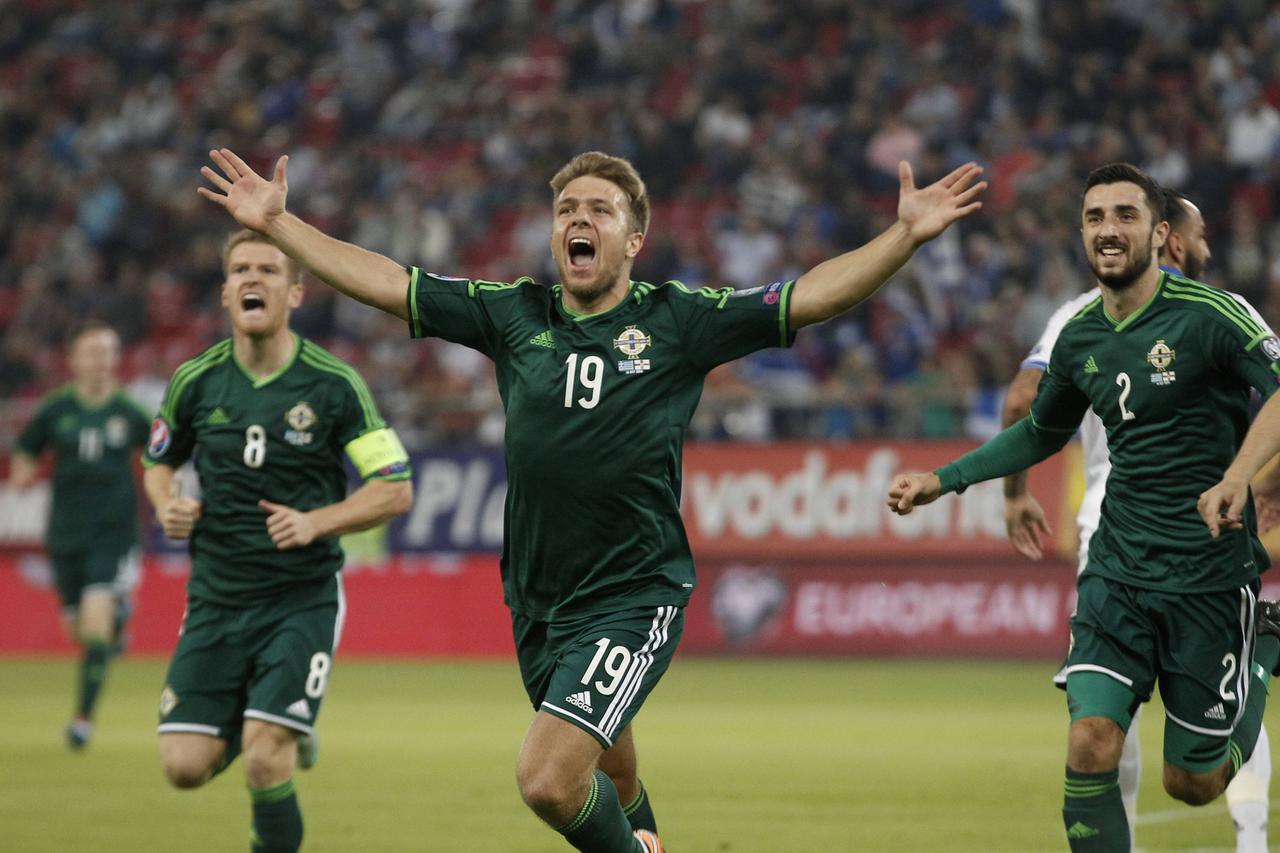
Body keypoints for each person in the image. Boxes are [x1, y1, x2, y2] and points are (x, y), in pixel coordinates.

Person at [197, 145, 986, 853]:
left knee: (546, 776)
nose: (579, 220)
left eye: (599, 210)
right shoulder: (514, 314)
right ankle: (642, 825)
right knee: (612, 764)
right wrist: (282, 225)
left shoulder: (679, 320)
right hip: (539, 598)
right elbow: (387, 281)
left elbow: (808, 297)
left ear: (632, 240)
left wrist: (904, 238)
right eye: (566, 209)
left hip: (634, 591)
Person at [888, 163, 1280, 853]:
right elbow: (1039, 428)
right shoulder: (1078, 337)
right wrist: (944, 479)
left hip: (1205, 576)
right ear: (1080, 233)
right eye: (1096, 217)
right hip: (1118, 570)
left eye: (1126, 215)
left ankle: (1264, 647)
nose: (1109, 229)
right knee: (1090, 739)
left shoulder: (1211, 315)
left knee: (1192, 782)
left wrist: (1241, 476)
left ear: (1160, 235)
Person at [1002, 187, 1273, 852]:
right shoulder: (1222, 310)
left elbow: (1020, 396)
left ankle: (1259, 657)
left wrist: (1015, 494)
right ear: (1172, 240)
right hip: (1149, 535)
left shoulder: (1091, 313)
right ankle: (1247, 834)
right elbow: (1027, 405)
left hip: (1158, 540)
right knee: (1099, 725)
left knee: (1149, 748)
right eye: (1201, 234)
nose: (1208, 247)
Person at [143, 229, 413, 853]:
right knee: (182, 767)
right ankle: (281, 717)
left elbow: (395, 487)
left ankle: (280, 725)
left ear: (294, 292)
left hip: (300, 598)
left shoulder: (333, 384)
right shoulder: (195, 382)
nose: (252, 279)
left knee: (265, 761)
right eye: (240, 270)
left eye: (267, 269)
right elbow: (157, 461)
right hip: (214, 599)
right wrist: (166, 505)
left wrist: (318, 521)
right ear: (225, 292)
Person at [10, 321, 152, 749]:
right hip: (66, 535)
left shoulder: (129, 412)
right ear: (73, 361)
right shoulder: (56, 410)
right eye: (92, 353)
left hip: (113, 533)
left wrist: (164, 484)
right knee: (80, 631)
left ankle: (82, 720)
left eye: (108, 353)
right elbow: (26, 449)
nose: (101, 362)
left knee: (93, 624)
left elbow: (160, 453)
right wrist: (22, 474)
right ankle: (120, 617)